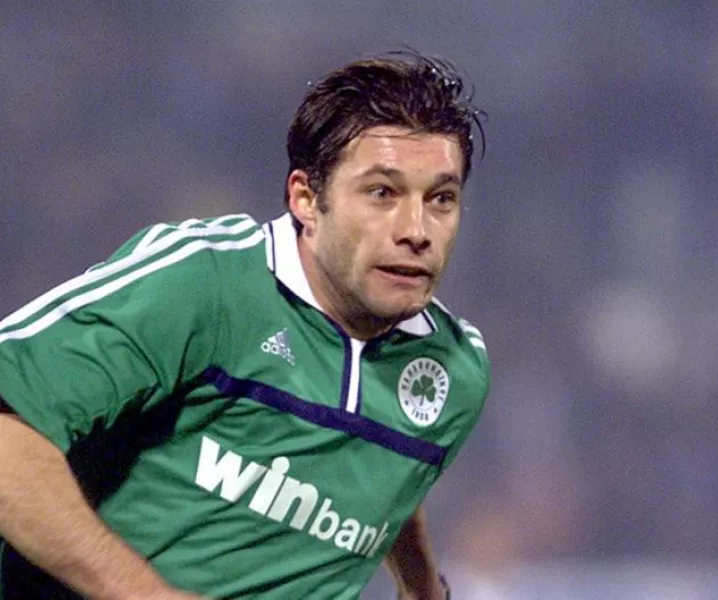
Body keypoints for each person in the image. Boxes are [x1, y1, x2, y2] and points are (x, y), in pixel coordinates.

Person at [0, 51, 490, 599]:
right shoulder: (202, 283)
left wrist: (423, 587)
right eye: (382, 193)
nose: (416, 230)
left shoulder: (454, 372)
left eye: (440, 198)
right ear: (306, 199)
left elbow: (376, 472)